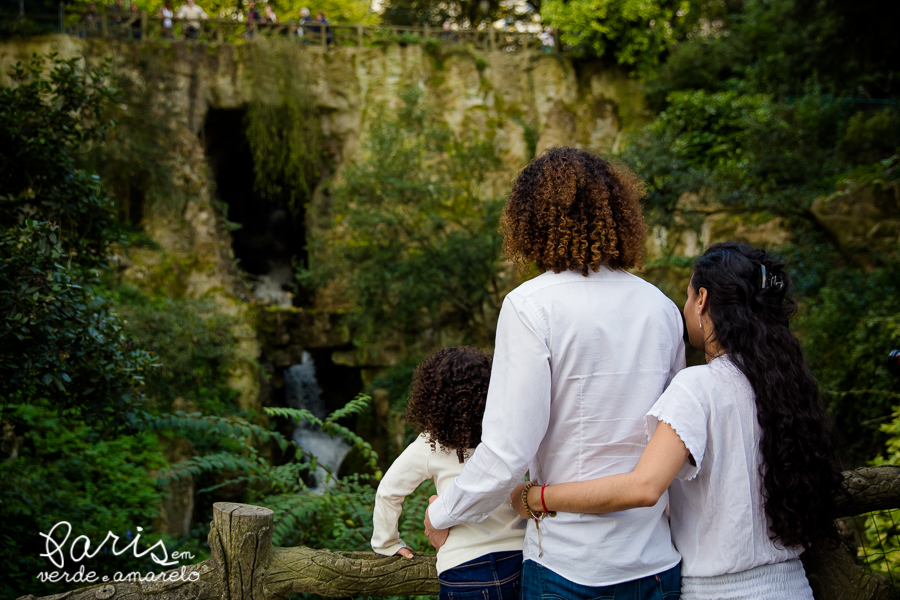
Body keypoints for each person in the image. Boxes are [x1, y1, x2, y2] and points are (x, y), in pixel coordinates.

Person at [512, 242, 843, 599]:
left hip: (719, 591)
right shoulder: (786, 388)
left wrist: (538, 497)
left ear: (702, 299)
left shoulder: (698, 386)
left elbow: (644, 487)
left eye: (686, 297)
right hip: (793, 585)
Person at [424, 147, 685, 599]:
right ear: (617, 213)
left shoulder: (530, 306)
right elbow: (676, 441)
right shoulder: (661, 308)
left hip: (570, 564)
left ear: (529, 220)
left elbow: (508, 451)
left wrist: (443, 512)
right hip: (654, 563)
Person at [371, 347, 525, 600]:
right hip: (519, 558)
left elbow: (388, 492)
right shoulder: (509, 437)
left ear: (431, 398)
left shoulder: (430, 445)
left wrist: (386, 544)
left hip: (463, 568)